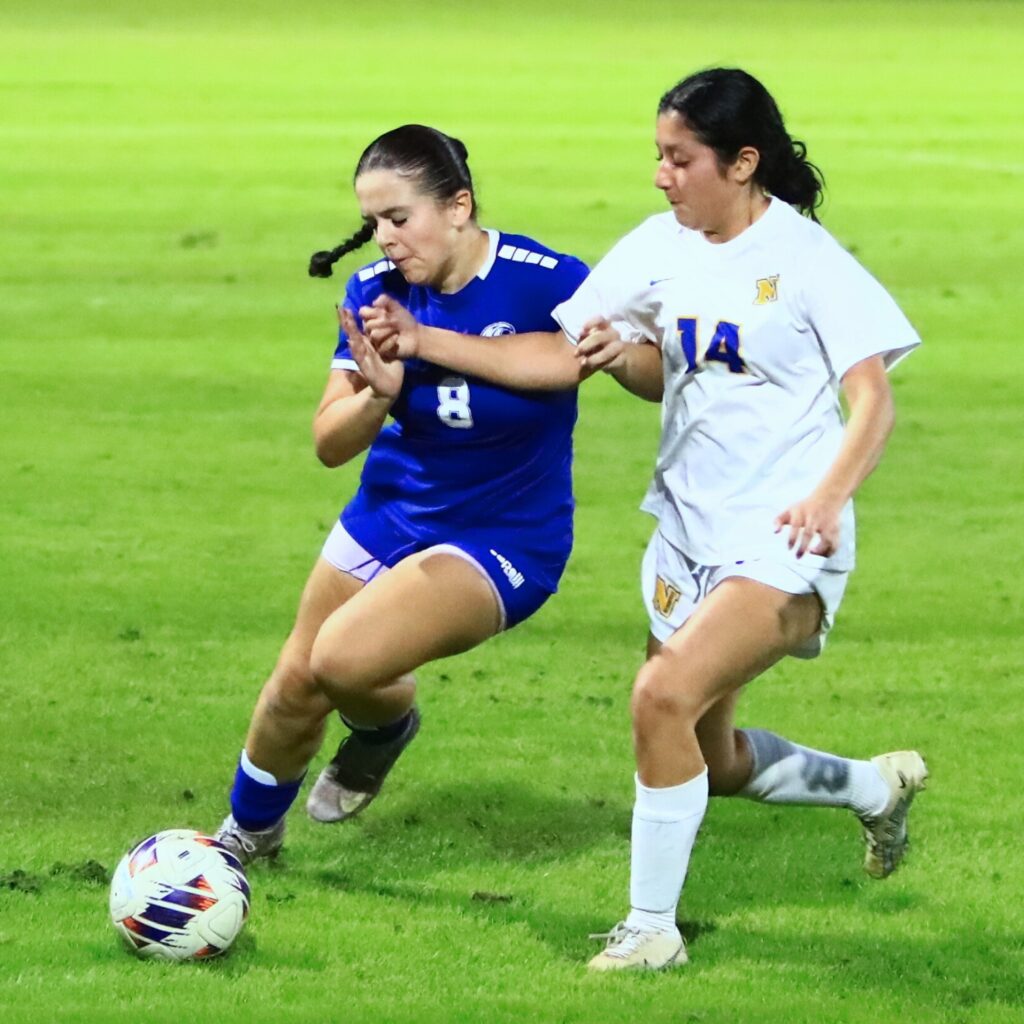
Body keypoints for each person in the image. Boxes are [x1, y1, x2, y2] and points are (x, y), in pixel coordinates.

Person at [358, 69, 928, 972]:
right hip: (687, 536)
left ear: (742, 162)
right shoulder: (659, 246)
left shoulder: (807, 260)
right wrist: (608, 353)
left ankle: (650, 929)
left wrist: (826, 498)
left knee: (659, 697)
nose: (662, 176)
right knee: (712, 753)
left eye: (680, 158)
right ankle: (874, 788)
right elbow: (585, 360)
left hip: (785, 538)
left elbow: (874, 401)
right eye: (658, 156)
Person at [213, 124, 589, 865]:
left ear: (458, 207)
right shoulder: (372, 291)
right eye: (373, 221)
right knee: (296, 682)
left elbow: (581, 360)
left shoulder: (546, 280)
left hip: (504, 537)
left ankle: (383, 727)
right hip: (391, 512)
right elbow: (329, 443)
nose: (384, 238)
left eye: (398, 217)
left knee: (340, 660)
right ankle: (245, 838)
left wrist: (425, 343)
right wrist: (377, 397)